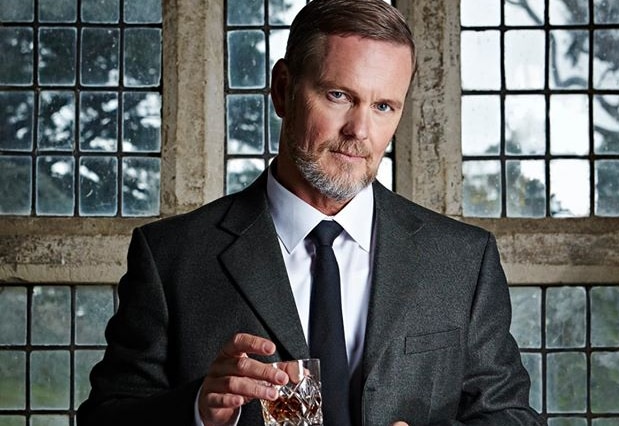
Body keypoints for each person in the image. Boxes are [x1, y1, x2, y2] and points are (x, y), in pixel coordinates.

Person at [77, 0, 544, 425]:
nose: (359, 130)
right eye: (339, 96)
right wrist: (198, 409)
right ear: (283, 90)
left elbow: (511, 417)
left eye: (383, 105)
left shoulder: (463, 260)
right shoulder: (171, 257)